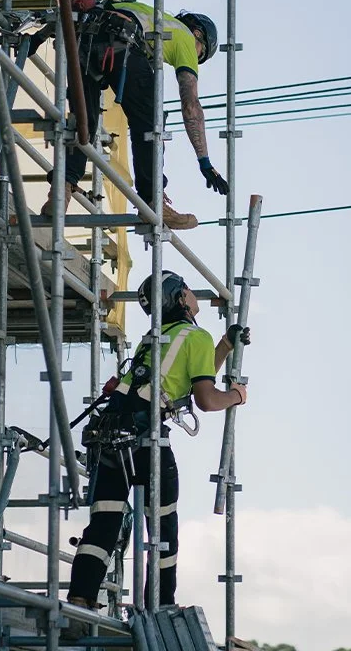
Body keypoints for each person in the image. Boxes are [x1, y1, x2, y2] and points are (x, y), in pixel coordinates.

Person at [64, 270, 249, 637]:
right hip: (147, 441)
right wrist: (238, 396)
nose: (194, 296)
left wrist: (226, 347)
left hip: (110, 439)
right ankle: (159, 612)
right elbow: (206, 397)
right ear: (181, 299)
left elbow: (186, 376)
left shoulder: (156, 338)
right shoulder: (195, 336)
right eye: (188, 292)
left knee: (104, 526)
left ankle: (78, 606)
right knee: (163, 532)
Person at [38, 0, 229, 230]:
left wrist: (38, 38)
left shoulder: (141, 10)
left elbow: (80, 7)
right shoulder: (185, 37)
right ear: (198, 34)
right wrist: (204, 162)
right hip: (122, 44)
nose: (195, 57)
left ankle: (61, 193)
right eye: (200, 54)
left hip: (83, 41)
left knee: (83, 122)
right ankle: (153, 202)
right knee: (150, 125)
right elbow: (191, 105)